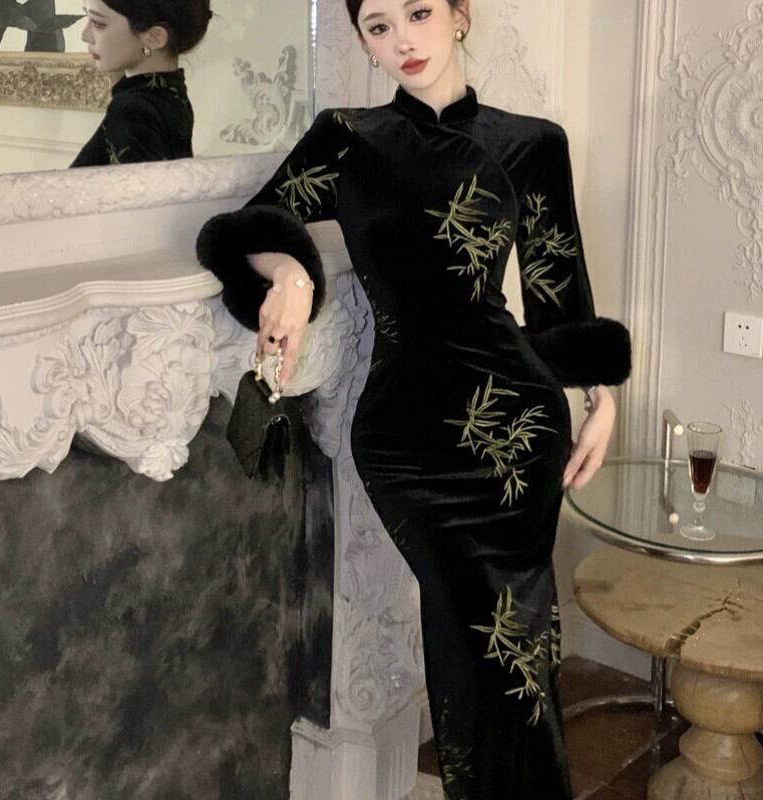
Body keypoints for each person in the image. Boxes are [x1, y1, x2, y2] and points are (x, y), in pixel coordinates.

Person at [196, 0, 631, 796]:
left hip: (514, 432)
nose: (402, 39)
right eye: (379, 25)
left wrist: (602, 397)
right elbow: (245, 225)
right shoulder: (347, 138)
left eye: (420, 12)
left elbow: (556, 289)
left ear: (460, 16)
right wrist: (292, 274)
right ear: (363, 40)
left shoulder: (531, 144)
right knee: (477, 641)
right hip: (406, 439)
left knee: (513, 652)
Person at [71, 0, 211, 167]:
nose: (84, 35)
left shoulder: (132, 110)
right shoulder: (170, 96)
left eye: (98, 24)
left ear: (154, 38)